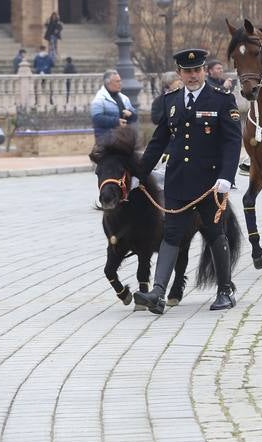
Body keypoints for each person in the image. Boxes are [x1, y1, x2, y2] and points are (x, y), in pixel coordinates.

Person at [133, 48, 243, 314]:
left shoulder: (221, 100)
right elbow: (158, 142)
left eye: (197, 70)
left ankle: (225, 290)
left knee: (215, 233)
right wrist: (140, 174)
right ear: (180, 74)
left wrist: (227, 177)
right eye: (187, 71)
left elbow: (232, 142)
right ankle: (158, 291)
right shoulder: (171, 101)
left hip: (209, 183)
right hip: (178, 181)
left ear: (204, 71)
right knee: (171, 234)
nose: (193, 76)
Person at [90, 69, 137, 143]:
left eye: (120, 81)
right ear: (108, 83)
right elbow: (97, 119)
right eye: (117, 81)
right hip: (106, 142)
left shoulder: (124, 98)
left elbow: (135, 116)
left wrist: (131, 114)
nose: (120, 83)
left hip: (124, 141)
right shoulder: (99, 99)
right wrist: (116, 122)